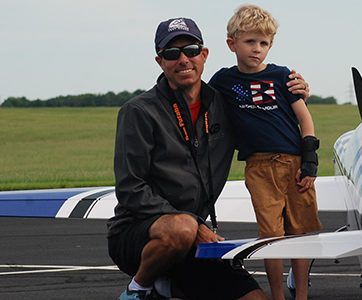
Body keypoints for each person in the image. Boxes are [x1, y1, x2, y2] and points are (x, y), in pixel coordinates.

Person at [107, 17, 310, 300]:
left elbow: (267, 120)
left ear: (204, 55)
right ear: (160, 61)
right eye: (171, 53)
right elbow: (130, 189)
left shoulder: (223, 104)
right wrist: (194, 223)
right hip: (141, 234)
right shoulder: (139, 111)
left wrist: (292, 93)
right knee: (181, 228)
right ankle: (138, 288)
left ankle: (163, 286)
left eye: (190, 50)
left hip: (198, 240)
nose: (183, 59)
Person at [208, 5, 322, 300]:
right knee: (271, 236)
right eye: (249, 42)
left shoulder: (283, 75)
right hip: (258, 166)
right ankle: (277, 296)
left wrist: (310, 159)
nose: (257, 49)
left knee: (300, 234)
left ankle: (302, 296)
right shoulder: (223, 81)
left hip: (295, 161)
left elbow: (304, 118)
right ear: (232, 44)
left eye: (264, 43)